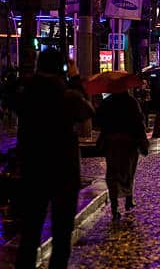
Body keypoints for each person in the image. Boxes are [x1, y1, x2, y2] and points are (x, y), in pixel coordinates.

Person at [15, 50, 94, 269]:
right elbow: (86, 111)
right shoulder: (66, 93)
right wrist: (75, 79)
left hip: (33, 168)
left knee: (30, 232)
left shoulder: (27, 92)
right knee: (61, 233)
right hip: (63, 171)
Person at [96, 90, 149, 221]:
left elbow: (98, 121)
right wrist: (143, 141)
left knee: (113, 173)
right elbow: (139, 122)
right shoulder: (131, 102)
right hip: (129, 143)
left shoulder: (107, 103)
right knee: (129, 171)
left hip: (111, 142)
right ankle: (128, 199)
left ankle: (114, 208)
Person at [148, 73, 160, 138]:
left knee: (159, 119)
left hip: (158, 103)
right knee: (159, 118)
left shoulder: (153, 83)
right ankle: (158, 133)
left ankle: (158, 132)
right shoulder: (158, 83)